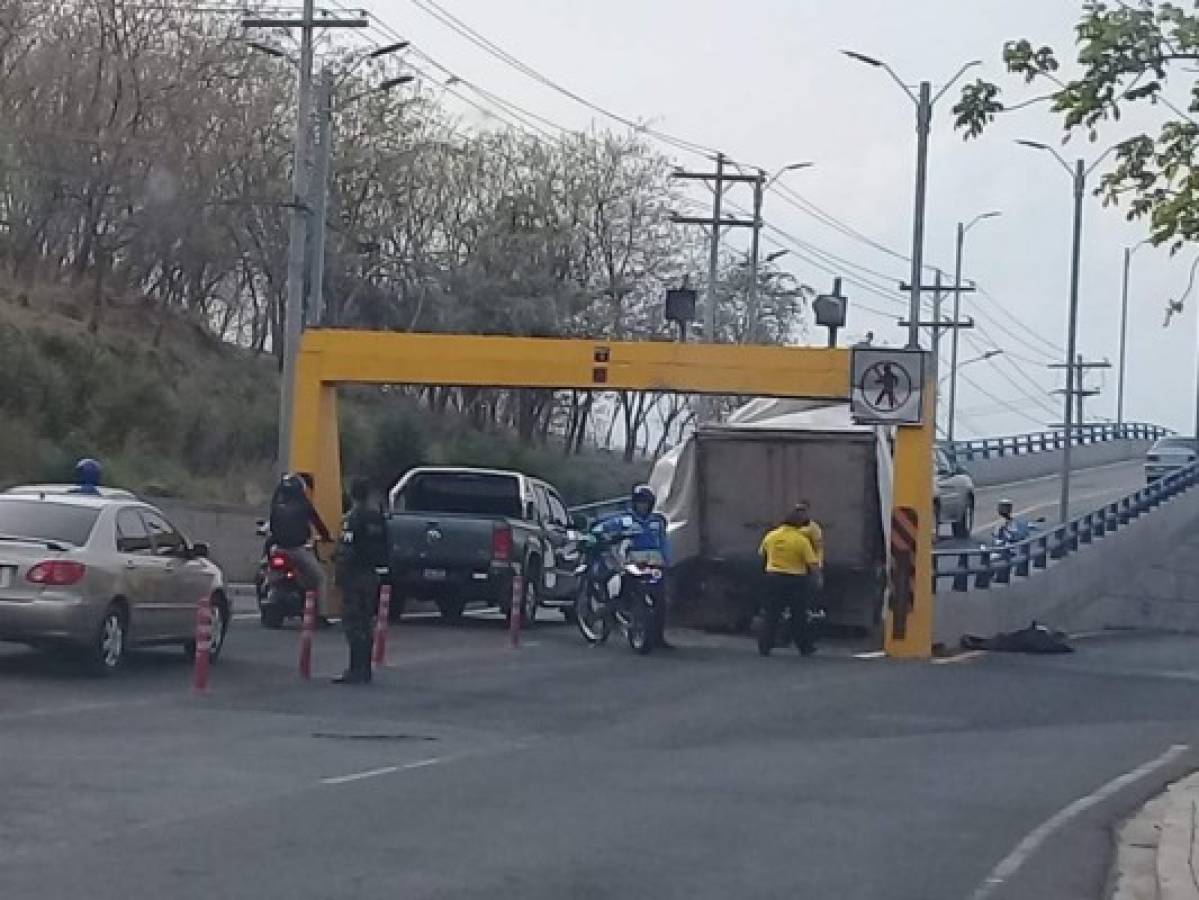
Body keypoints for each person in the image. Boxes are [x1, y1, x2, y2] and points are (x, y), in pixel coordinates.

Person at [602, 484, 672, 649]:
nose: (643, 506)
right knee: (621, 592)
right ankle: (613, 620)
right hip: (632, 565)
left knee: (660, 601)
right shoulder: (625, 520)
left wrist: (667, 559)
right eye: (640, 502)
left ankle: (659, 638)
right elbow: (606, 527)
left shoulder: (657, 522)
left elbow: (664, 542)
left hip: (654, 565)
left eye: (646, 503)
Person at [333, 477, 388, 685]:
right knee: (366, 623)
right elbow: (385, 546)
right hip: (371, 575)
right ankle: (365, 669)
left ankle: (355, 668)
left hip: (354, 575)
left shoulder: (352, 518)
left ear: (352, 494)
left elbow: (346, 549)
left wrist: (339, 572)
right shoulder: (377, 518)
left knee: (352, 623)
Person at [757, 507, 821, 657]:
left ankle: (764, 645)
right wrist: (818, 578)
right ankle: (804, 647)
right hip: (795, 581)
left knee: (771, 613)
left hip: (773, 578)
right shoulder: (801, 540)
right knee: (798, 615)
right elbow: (812, 564)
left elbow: (762, 554)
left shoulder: (771, 536)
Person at [267, 473, 333, 618]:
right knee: (320, 578)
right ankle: (322, 615)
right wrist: (327, 537)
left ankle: (268, 596)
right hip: (298, 549)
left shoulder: (276, 505)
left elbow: (272, 527)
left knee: (269, 572)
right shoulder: (304, 504)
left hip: (278, 548)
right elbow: (318, 523)